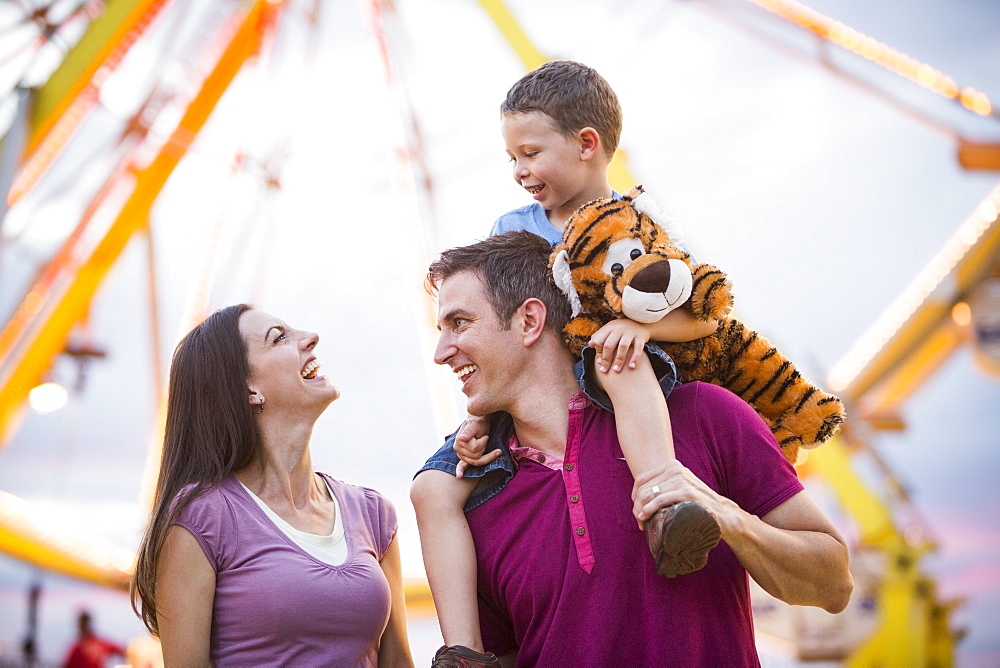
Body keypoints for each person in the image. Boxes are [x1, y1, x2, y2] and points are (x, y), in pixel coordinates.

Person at [416, 232, 852, 665]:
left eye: (460, 323)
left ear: (530, 320)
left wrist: (727, 516)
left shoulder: (704, 415)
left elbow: (835, 584)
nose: (440, 352)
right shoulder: (473, 503)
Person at [411, 60, 719, 664]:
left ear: (586, 145)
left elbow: (704, 312)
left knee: (615, 359)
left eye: (530, 153)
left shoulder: (640, 225)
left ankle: (663, 501)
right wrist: (479, 419)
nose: (521, 171)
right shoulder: (513, 230)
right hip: (533, 389)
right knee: (431, 489)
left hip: (615, 367)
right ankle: (464, 652)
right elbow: (501, 337)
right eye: (512, 159)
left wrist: (635, 323)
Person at [130, 304, 413, 667]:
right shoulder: (202, 517)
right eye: (279, 338)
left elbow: (398, 662)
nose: (311, 338)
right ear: (248, 388)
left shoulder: (373, 513)